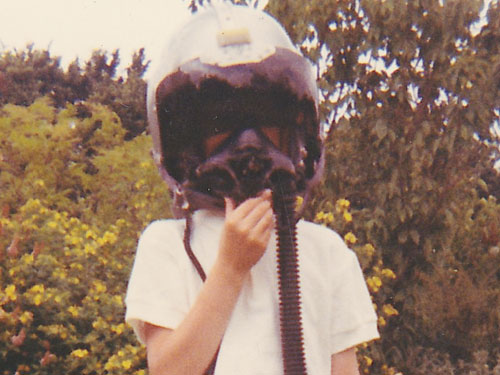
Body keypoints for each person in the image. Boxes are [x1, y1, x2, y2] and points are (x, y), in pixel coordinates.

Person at [125, 3, 379, 375]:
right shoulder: (166, 245)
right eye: (222, 121)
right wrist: (229, 268)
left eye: (264, 118)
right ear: (188, 141)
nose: (249, 142)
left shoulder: (326, 253)